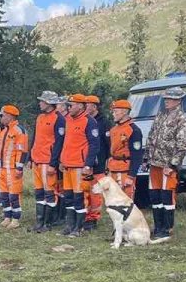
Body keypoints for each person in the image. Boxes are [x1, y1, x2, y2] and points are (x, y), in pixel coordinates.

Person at [145, 88, 186, 243]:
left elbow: (182, 145)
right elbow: (151, 136)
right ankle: (158, 226)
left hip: (167, 164)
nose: (167, 101)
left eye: (170, 99)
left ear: (178, 100)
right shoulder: (160, 115)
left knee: (167, 196)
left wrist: (172, 164)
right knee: (155, 195)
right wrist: (147, 158)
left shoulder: (182, 118)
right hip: (155, 163)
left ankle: (167, 228)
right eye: (165, 99)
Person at [57, 94, 100, 236]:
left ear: (80, 106)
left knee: (79, 197)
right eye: (68, 105)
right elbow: (65, 142)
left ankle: (79, 228)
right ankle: (70, 226)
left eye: (72, 105)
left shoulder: (89, 121)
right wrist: (62, 160)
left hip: (80, 166)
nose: (69, 107)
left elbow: (94, 145)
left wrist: (88, 165)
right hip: (67, 165)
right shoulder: (68, 119)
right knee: (68, 196)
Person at [31, 91, 64, 232]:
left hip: (47, 161)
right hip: (37, 160)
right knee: (39, 192)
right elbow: (35, 138)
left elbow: (59, 142)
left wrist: (53, 163)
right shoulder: (39, 117)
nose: (40, 103)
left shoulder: (59, 118)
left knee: (50, 193)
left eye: (42, 101)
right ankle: (39, 222)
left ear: (49, 103)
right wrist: (30, 157)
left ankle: (47, 223)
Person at [0, 105, 29, 228]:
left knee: (14, 195)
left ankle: (15, 219)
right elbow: (0, 150)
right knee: (3, 194)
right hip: (3, 168)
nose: (1, 118)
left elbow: (22, 151)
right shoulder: (4, 131)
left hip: (13, 169)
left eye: (2, 115)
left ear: (9, 116)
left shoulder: (19, 130)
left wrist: (19, 167)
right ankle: (7, 216)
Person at [106, 98, 145, 209]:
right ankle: (117, 225)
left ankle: (127, 224)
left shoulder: (133, 130)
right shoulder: (114, 129)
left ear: (124, 112)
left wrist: (131, 176)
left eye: (115, 111)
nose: (113, 114)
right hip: (113, 168)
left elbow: (137, 155)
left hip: (125, 170)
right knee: (113, 199)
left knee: (125, 200)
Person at [83, 96, 110, 230]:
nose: (86, 107)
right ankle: (84, 215)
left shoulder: (103, 122)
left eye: (88, 104)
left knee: (95, 192)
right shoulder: (84, 120)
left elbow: (107, 144)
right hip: (84, 161)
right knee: (84, 190)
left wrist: (106, 160)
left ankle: (93, 219)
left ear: (95, 106)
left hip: (98, 163)